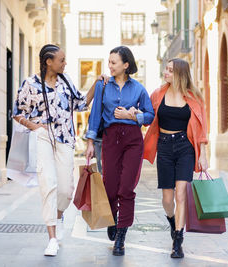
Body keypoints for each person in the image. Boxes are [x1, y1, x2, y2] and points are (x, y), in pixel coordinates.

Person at [13, 44, 107, 256]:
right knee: (48, 185)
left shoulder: (66, 82)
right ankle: (52, 238)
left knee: (65, 190)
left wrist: (96, 84)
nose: (65, 63)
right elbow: (17, 112)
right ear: (49, 62)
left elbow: (81, 104)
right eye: (61, 60)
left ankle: (59, 215)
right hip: (42, 138)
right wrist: (35, 126)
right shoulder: (30, 84)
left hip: (65, 139)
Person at [85, 46, 154, 256]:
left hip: (133, 140)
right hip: (110, 140)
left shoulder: (139, 89)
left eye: (114, 62)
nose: (109, 65)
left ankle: (121, 237)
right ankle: (113, 219)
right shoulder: (103, 86)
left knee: (126, 189)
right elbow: (95, 114)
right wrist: (89, 142)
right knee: (110, 187)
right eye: (109, 62)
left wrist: (133, 116)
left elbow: (150, 115)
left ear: (126, 65)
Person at [143, 58, 209, 258]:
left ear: (180, 73)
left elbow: (202, 128)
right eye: (166, 69)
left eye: (170, 70)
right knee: (167, 199)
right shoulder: (157, 94)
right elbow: (148, 117)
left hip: (185, 147)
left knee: (181, 194)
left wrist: (203, 155)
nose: (166, 72)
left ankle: (178, 240)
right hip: (163, 146)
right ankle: (172, 221)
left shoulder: (194, 98)